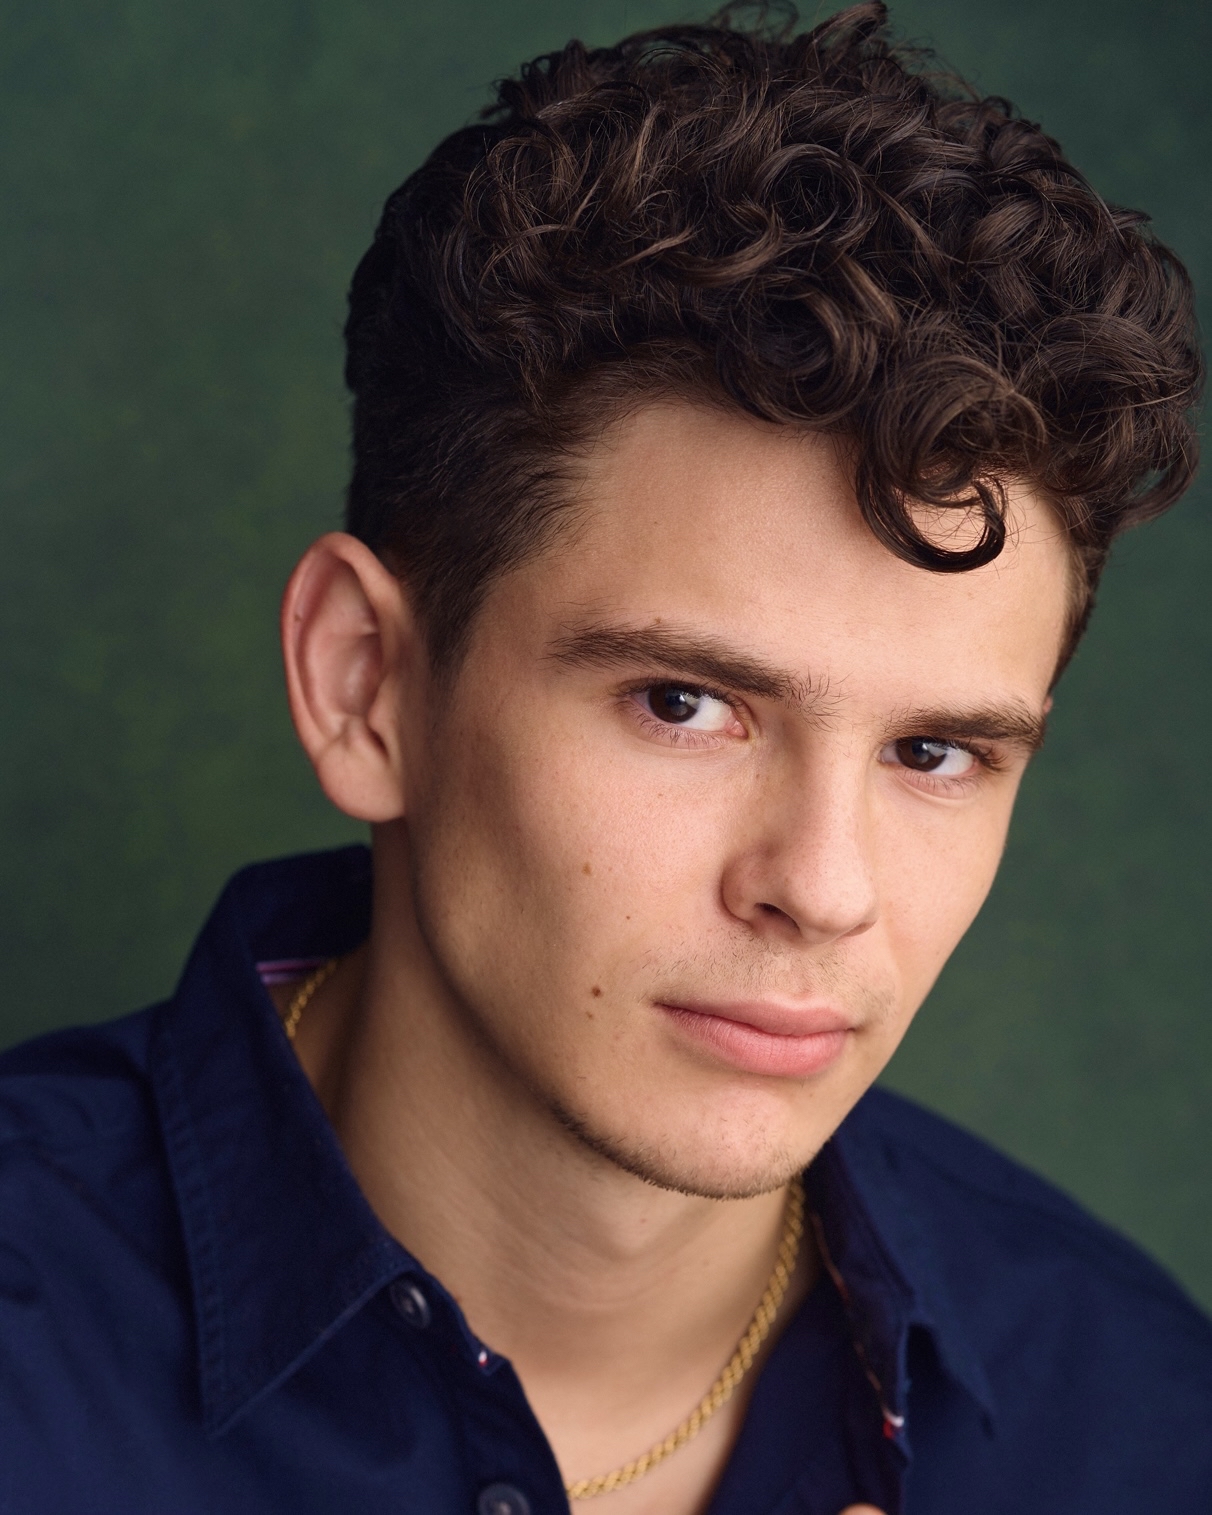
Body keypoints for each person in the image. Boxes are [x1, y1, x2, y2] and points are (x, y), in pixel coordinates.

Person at [2, 3, 1209, 1511]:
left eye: (934, 750)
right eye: (685, 705)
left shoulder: (1141, 1428)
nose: (824, 889)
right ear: (365, 683)